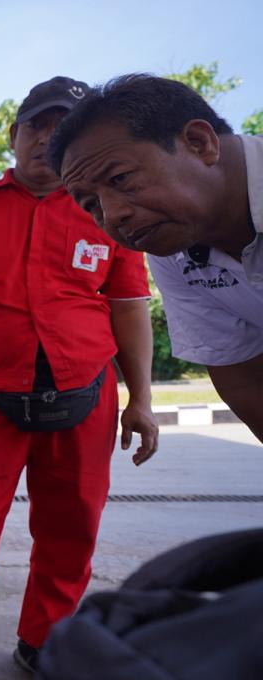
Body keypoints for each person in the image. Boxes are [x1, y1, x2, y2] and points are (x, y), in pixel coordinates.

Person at [0, 77, 160, 680]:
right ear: (13, 135)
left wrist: (142, 400)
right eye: (36, 125)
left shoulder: (111, 214)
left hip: (87, 388)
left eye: (62, 127)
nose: (47, 138)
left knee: (74, 521)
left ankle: (45, 640)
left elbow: (130, 309)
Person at [50, 74, 263, 441]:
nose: (112, 215)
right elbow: (242, 375)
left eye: (120, 178)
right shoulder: (172, 249)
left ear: (199, 143)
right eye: (91, 206)